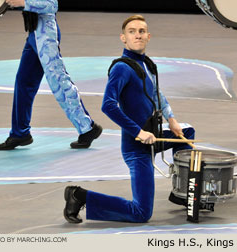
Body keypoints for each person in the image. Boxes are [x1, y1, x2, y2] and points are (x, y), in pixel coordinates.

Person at [63, 15, 195, 223]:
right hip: (136, 146)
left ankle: (182, 192)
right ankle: (78, 196)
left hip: (152, 136)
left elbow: (156, 94)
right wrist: (138, 132)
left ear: (148, 36)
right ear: (123, 38)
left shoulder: (148, 65)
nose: (137, 35)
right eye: (132, 32)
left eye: (141, 31)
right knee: (141, 213)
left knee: (186, 133)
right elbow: (108, 105)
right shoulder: (122, 68)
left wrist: (171, 117)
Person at [0, 0, 102, 151]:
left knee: (59, 82)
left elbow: (52, 5)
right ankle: (20, 133)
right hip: (35, 34)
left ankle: (88, 128)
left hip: (46, 35)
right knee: (23, 82)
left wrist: (22, 3)